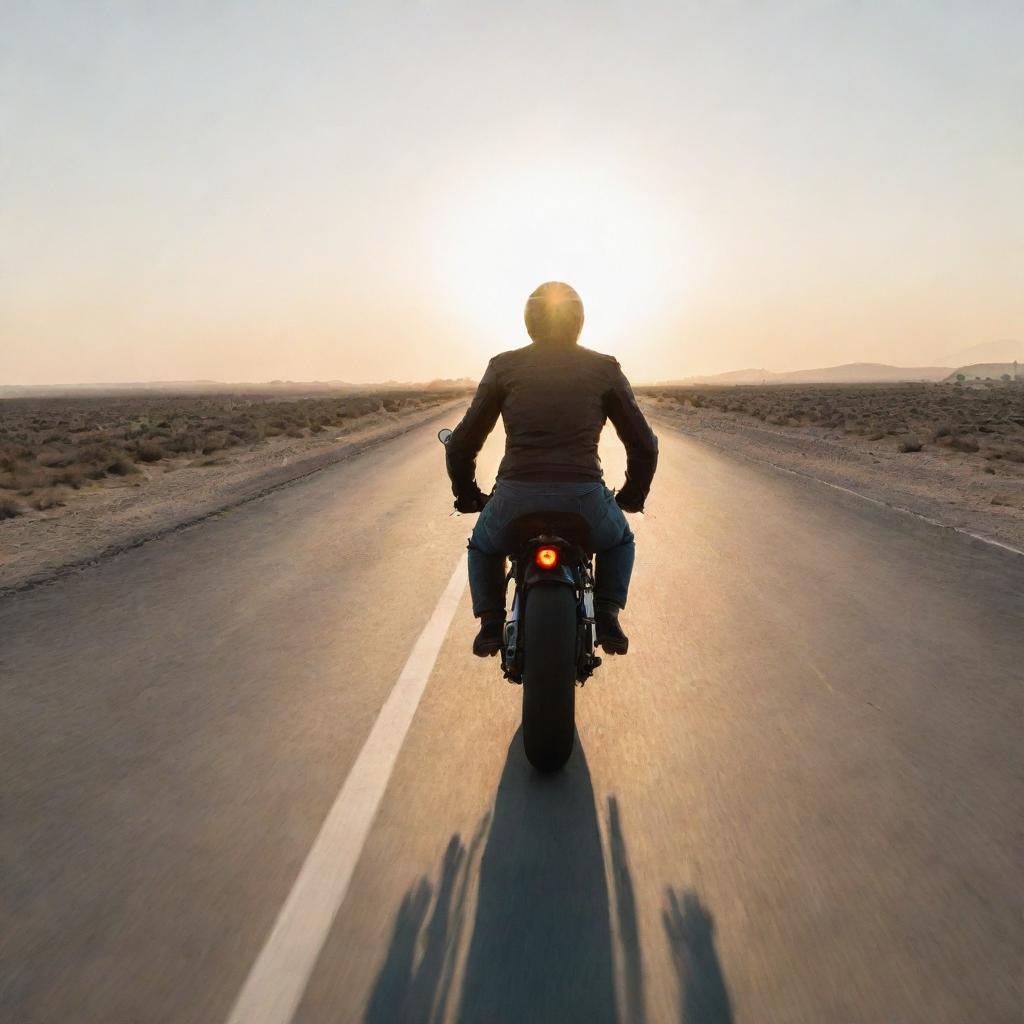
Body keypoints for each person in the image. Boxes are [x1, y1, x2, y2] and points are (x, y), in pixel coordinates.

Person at [445, 281, 659, 658]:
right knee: (620, 540)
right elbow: (644, 444)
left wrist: (467, 495)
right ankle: (608, 614)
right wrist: (632, 496)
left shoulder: (503, 366)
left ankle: (491, 623)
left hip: (515, 497)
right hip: (585, 498)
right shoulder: (604, 368)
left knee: (482, 545)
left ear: (529, 320)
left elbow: (462, 443)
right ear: (578, 320)